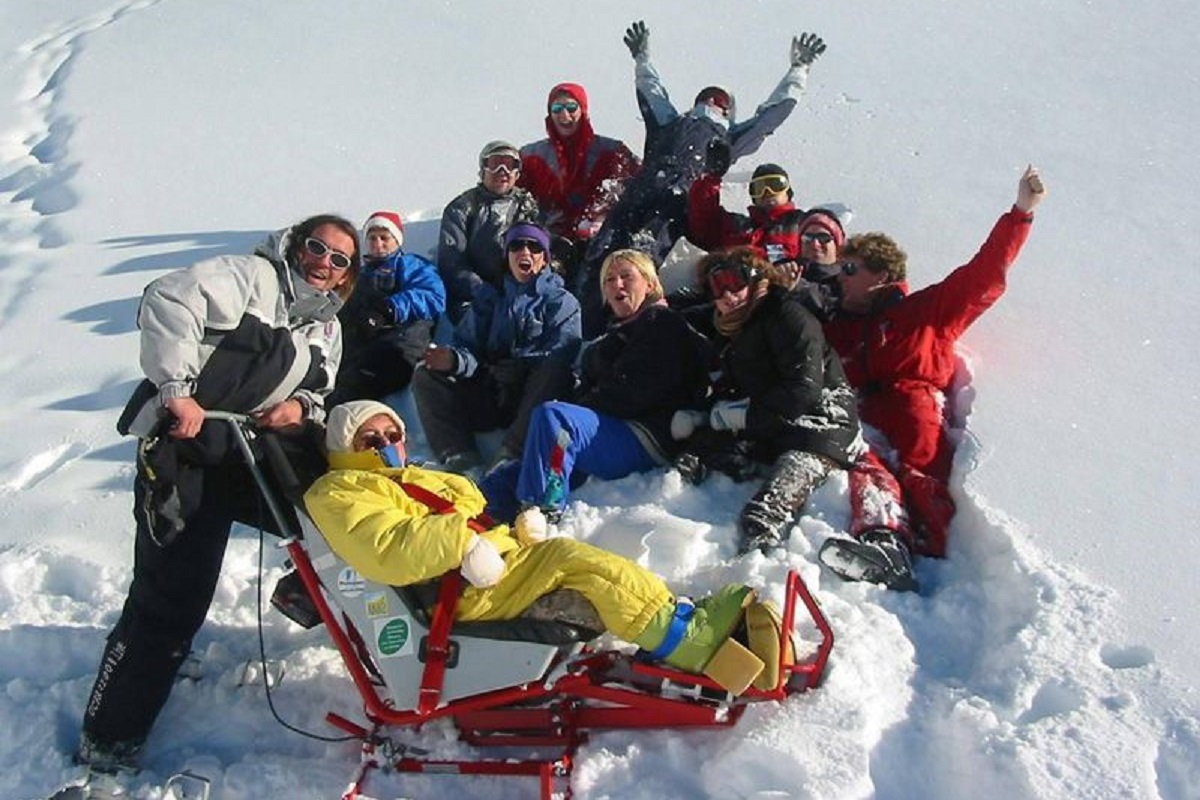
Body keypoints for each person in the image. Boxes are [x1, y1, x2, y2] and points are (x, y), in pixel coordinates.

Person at [77, 214, 360, 775]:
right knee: (172, 596)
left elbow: (320, 390)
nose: (324, 263)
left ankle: (306, 597)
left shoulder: (325, 324)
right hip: (184, 450)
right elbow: (168, 300)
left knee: (338, 516)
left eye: (339, 260)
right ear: (296, 245)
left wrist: (298, 408)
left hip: (246, 451)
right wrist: (177, 389)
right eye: (317, 248)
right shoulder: (251, 279)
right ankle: (108, 737)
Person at [304, 400, 788, 695]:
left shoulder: (418, 478)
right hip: (453, 591)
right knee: (577, 564)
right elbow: (385, 547)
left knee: (582, 562)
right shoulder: (340, 491)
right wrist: (463, 542)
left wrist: (515, 533)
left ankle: (678, 619)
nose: (386, 443)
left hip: (486, 568)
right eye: (371, 437)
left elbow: (470, 515)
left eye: (393, 434)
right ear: (345, 445)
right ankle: (691, 642)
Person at [817, 166, 1047, 588]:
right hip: (866, 412)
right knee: (867, 464)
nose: (841, 281)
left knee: (919, 473)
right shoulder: (837, 327)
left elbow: (984, 275)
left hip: (914, 403)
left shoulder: (924, 311)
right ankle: (886, 544)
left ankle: (931, 552)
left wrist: (1020, 214)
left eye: (850, 271)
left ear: (881, 276)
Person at [575, 20, 828, 336]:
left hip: (675, 204)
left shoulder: (726, 138)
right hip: (642, 191)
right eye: (707, 97)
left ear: (728, 112)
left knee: (639, 262)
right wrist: (642, 59)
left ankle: (622, 331)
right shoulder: (671, 122)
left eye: (721, 101)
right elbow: (652, 93)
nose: (712, 102)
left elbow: (770, 116)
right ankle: (581, 333)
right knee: (599, 256)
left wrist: (798, 70)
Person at [479, 249, 710, 523]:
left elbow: (636, 389)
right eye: (609, 280)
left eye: (627, 276)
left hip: (645, 433)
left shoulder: (661, 322)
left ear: (649, 283)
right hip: (609, 429)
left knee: (556, 419)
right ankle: (478, 521)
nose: (617, 285)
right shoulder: (618, 331)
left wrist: (579, 410)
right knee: (507, 477)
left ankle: (542, 511)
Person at [671, 246, 861, 554]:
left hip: (820, 426)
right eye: (716, 289)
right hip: (775, 425)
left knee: (765, 510)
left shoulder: (787, 316)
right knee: (697, 453)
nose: (726, 295)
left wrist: (744, 415)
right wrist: (709, 415)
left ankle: (759, 562)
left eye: (734, 282)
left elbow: (804, 390)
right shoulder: (735, 326)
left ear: (755, 278)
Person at [413, 222, 581, 473]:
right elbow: (468, 345)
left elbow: (563, 352)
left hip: (533, 398)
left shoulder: (561, 302)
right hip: (492, 392)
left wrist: (522, 366)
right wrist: (455, 360)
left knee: (556, 372)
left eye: (534, 247)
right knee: (426, 374)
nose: (525, 251)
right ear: (507, 256)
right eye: (517, 245)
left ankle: (510, 454)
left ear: (544, 259)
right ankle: (459, 457)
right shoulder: (489, 298)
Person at [519, 82, 640, 272]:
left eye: (571, 107)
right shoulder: (531, 157)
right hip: (549, 249)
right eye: (557, 108)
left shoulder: (613, 152)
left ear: (583, 110)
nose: (564, 115)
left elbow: (637, 190)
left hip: (601, 247)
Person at [329, 210, 446, 405]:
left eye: (384, 238)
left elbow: (432, 296)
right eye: (372, 238)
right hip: (359, 346)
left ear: (397, 240)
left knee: (357, 382)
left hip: (401, 344)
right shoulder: (358, 275)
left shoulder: (411, 265)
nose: (378, 243)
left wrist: (389, 309)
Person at [438, 140, 541, 321]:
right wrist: (484, 292)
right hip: (473, 298)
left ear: (517, 173)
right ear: (482, 170)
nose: (502, 172)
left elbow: (539, 252)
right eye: (494, 164)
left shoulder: (527, 206)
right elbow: (452, 263)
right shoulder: (462, 208)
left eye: (509, 165)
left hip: (518, 292)